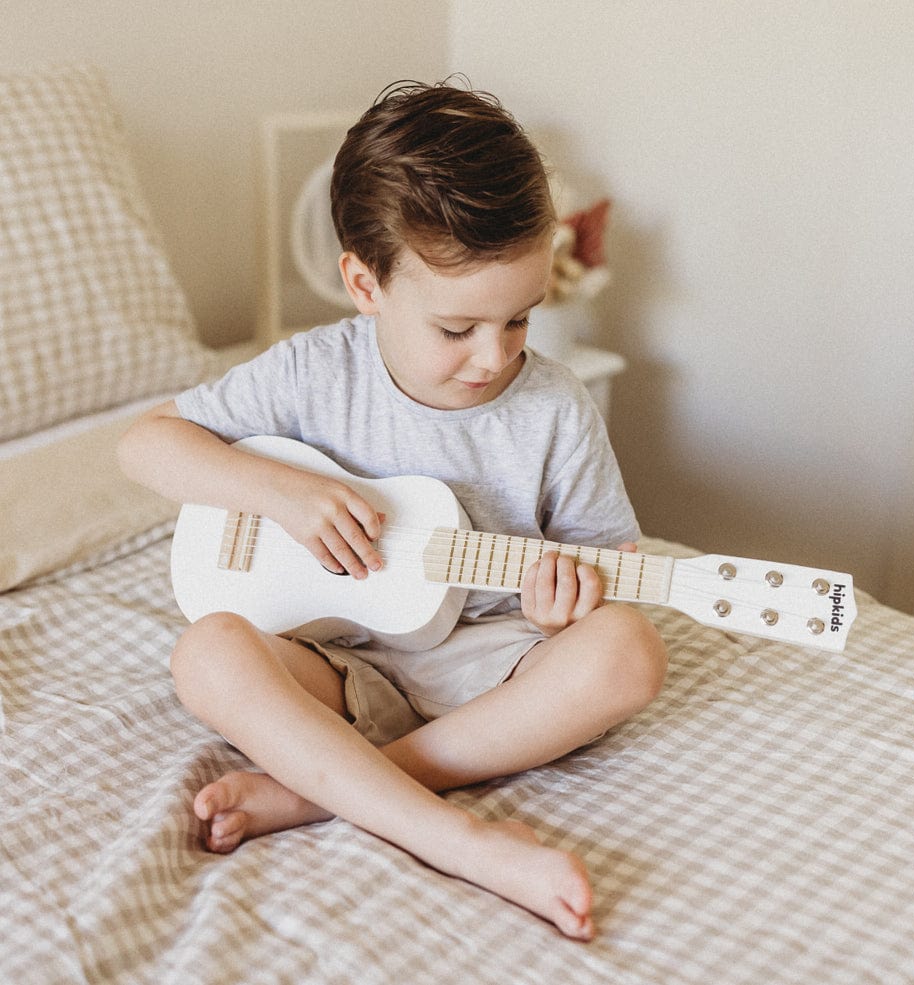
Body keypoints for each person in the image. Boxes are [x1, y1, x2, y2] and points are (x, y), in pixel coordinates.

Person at [118, 80, 666, 942]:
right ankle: (462, 840)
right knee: (207, 652)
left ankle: (336, 783)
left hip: (494, 663)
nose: (494, 356)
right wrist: (282, 493)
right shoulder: (308, 373)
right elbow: (145, 444)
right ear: (363, 283)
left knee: (626, 651)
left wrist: (569, 602)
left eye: (519, 318)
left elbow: (600, 560)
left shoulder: (555, 409)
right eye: (456, 329)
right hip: (341, 667)